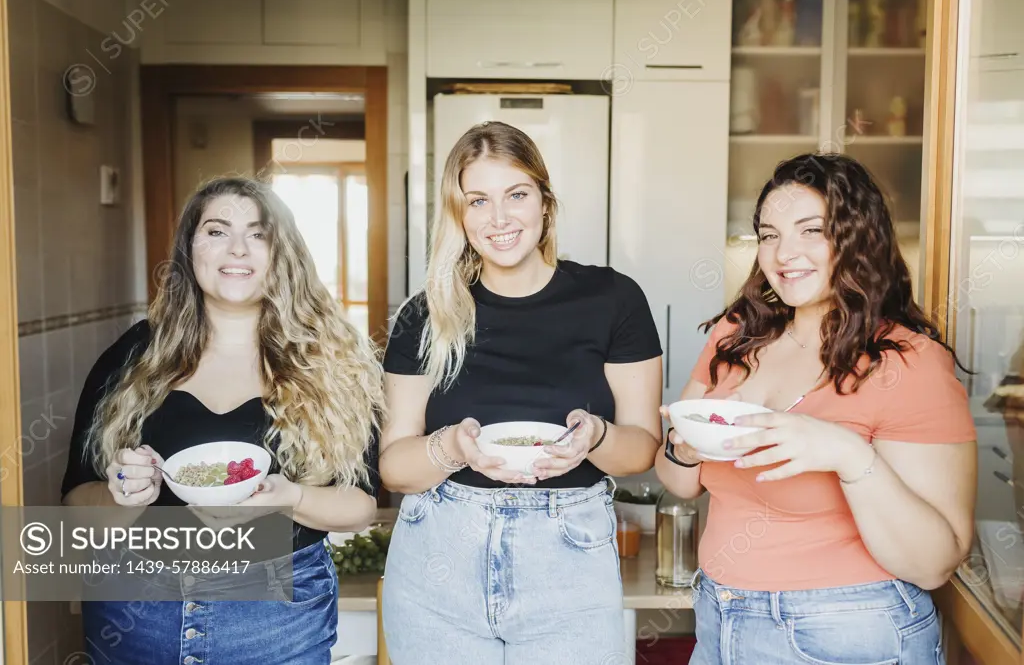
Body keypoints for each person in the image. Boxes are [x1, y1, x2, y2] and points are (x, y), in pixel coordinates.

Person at [656, 153, 977, 664]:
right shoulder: (736, 334)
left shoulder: (909, 364)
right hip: (719, 615)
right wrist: (683, 447)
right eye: (769, 234)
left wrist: (846, 454)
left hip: (845, 628)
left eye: (812, 231)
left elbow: (936, 562)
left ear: (858, 240)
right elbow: (679, 482)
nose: (786, 253)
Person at [60, 177, 386, 665]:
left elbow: (360, 506)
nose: (237, 248)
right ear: (190, 248)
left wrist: (291, 497)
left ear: (283, 253)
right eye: (216, 231)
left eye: (258, 234)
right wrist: (120, 496)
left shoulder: (333, 363)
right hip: (135, 610)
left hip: (279, 618)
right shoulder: (132, 356)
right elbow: (74, 506)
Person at [379, 121, 663, 664]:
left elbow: (643, 448)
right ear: (458, 214)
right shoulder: (426, 315)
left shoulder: (613, 299)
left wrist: (596, 437)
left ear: (545, 202)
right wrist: (452, 449)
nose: (499, 218)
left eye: (517, 194)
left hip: (570, 563)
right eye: (478, 200)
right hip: (440, 558)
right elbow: (394, 466)